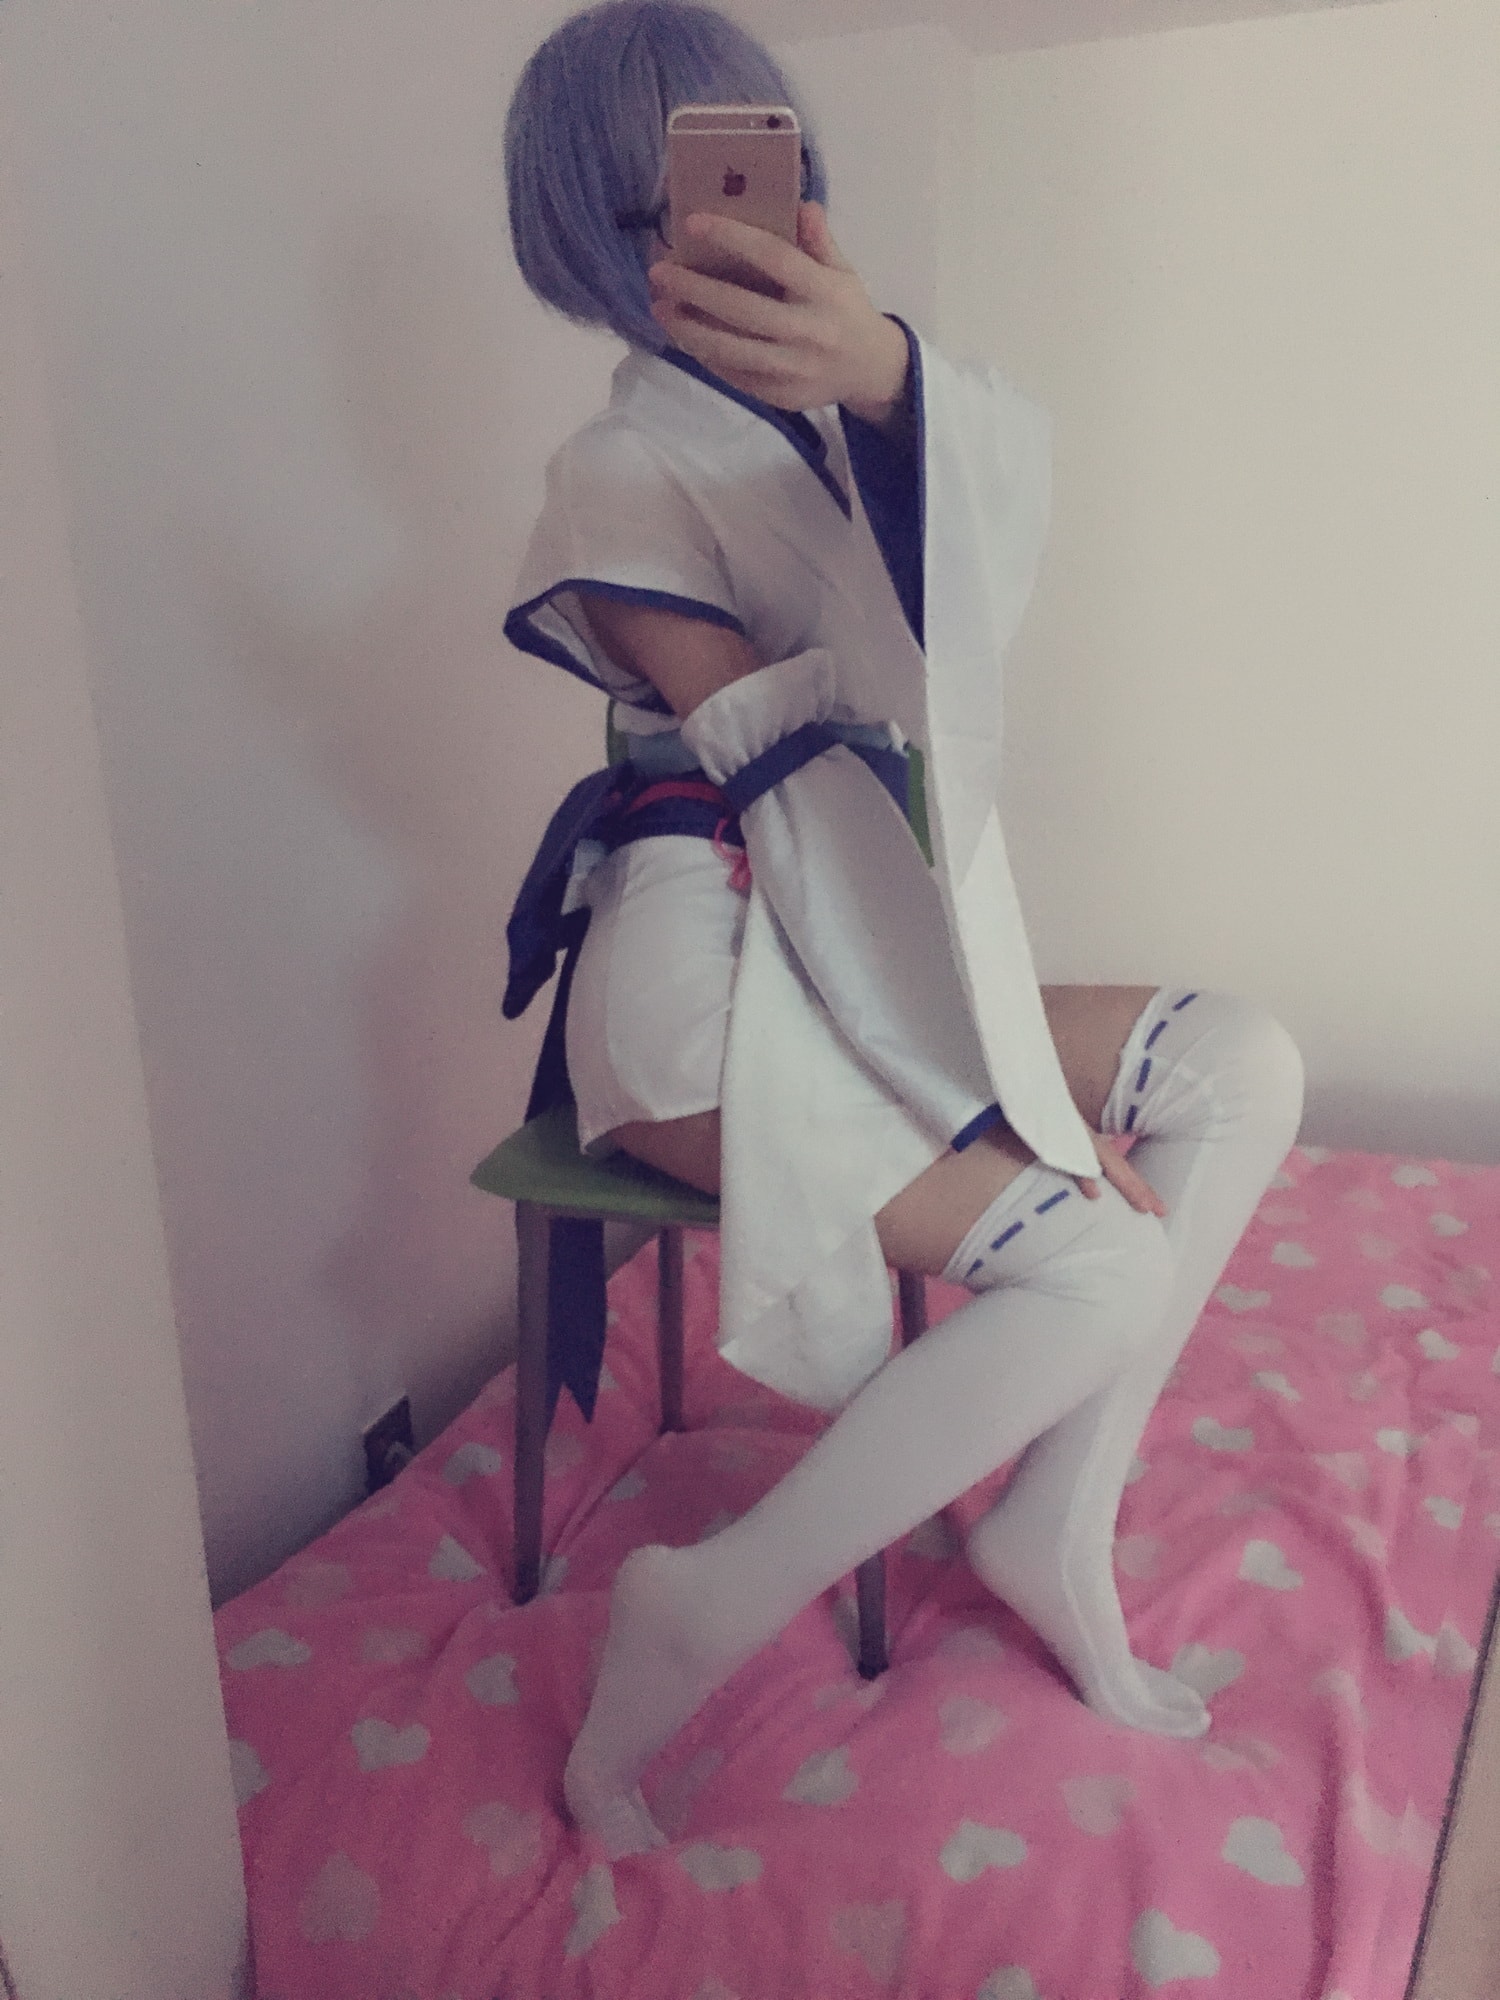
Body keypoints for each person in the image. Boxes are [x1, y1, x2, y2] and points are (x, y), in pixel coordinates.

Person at [502, 0, 1305, 1861]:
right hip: (713, 987)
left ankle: (1055, 1518)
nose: (718, 219)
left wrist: (888, 380)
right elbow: (798, 788)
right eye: (662, 195)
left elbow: (951, 651)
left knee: (1241, 1061)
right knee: (1098, 1263)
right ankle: (705, 1601)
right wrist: (1006, 1096)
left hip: (848, 935)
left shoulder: (823, 409)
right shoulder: (616, 472)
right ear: (595, 233)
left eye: (749, 162)